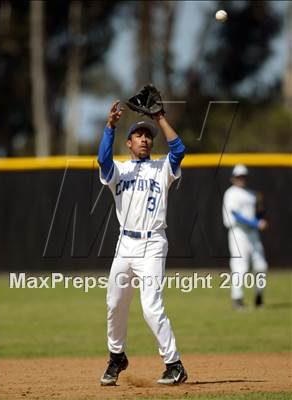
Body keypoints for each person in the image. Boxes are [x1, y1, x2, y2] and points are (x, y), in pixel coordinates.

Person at [98, 100, 187, 386]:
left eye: (148, 135)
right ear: (128, 143)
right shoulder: (119, 171)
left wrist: (159, 117)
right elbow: (102, 160)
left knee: (151, 307)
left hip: (153, 244)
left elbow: (180, 150)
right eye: (139, 135)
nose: (145, 139)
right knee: (115, 304)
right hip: (125, 245)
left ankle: (174, 365)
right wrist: (110, 126)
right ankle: (116, 357)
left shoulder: (163, 168)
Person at [222, 164, 268, 310]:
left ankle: (259, 297)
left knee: (261, 266)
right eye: (239, 176)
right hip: (238, 232)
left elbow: (259, 212)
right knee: (240, 266)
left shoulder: (252, 193)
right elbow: (235, 214)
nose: (241, 178)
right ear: (233, 178)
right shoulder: (231, 193)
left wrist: (261, 217)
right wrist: (256, 222)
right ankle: (237, 299)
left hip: (252, 233)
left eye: (243, 176)